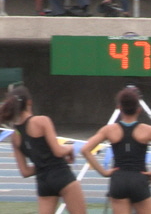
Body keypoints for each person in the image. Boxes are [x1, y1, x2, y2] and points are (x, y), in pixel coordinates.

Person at [81, 87, 151, 214]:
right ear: (139, 109)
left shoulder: (109, 130)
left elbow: (85, 149)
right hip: (139, 179)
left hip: (118, 180)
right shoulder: (148, 130)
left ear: (119, 108)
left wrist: (104, 172)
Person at [0, 86, 86, 214]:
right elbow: (58, 151)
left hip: (43, 182)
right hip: (61, 175)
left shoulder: (14, 137)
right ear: (29, 102)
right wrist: (70, 148)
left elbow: (25, 171)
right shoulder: (41, 121)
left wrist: (42, 165)